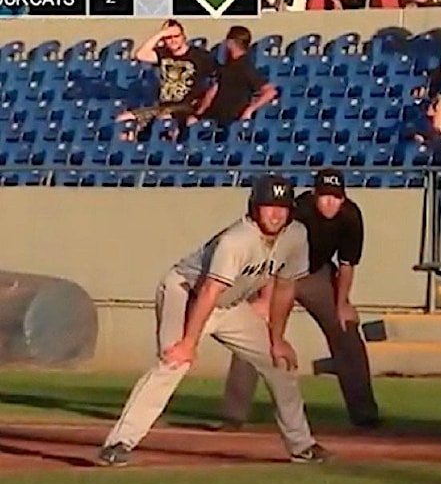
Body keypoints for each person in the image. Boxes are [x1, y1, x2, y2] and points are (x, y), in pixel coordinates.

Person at [97, 175, 330, 466]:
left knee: (278, 363)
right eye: (268, 205)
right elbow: (209, 290)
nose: (275, 213)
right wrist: (188, 343)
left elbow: (285, 287)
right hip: (186, 293)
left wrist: (277, 338)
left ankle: (301, 446)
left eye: (282, 207)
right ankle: (119, 442)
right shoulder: (237, 239)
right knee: (174, 362)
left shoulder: (295, 236)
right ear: (254, 208)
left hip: (229, 305)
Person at [218, 169, 380, 429]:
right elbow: (274, 257)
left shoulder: (350, 216)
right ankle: (233, 414)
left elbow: (347, 264)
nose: (330, 203)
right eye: (325, 196)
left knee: (346, 330)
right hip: (277, 272)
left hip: (316, 273)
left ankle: (364, 413)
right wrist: (264, 300)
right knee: (254, 333)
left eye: (336, 197)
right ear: (314, 195)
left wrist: (342, 304)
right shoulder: (299, 213)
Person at [116, 19, 216, 140]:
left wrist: (202, 107)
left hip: (185, 106)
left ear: (183, 36)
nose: (173, 40)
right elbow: (140, 55)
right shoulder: (163, 53)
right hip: (162, 106)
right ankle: (129, 151)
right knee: (123, 119)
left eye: (176, 36)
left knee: (165, 120)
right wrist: (161, 34)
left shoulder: (200, 56)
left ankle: (171, 151)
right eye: (169, 37)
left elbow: (216, 80)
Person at [191, 25, 277, 127]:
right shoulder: (226, 66)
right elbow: (213, 91)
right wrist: (199, 113)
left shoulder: (246, 66)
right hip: (214, 115)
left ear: (230, 43)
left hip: (230, 119)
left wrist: (249, 110)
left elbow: (270, 91)